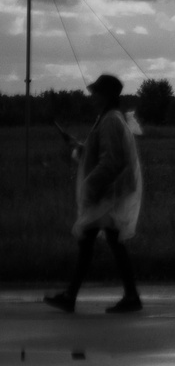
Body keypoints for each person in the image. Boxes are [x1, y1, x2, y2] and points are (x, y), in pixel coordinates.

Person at [45, 74, 144, 315]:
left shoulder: (110, 121)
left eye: (97, 93)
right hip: (107, 193)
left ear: (107, 96)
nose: (93, 97)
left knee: (94, 242)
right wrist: (78, 147)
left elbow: (110, 161)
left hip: (107, 194)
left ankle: (76, 297)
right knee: (99, 242)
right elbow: (97, 154)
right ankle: (124, 296)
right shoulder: (109, 119)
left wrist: (91, 186)